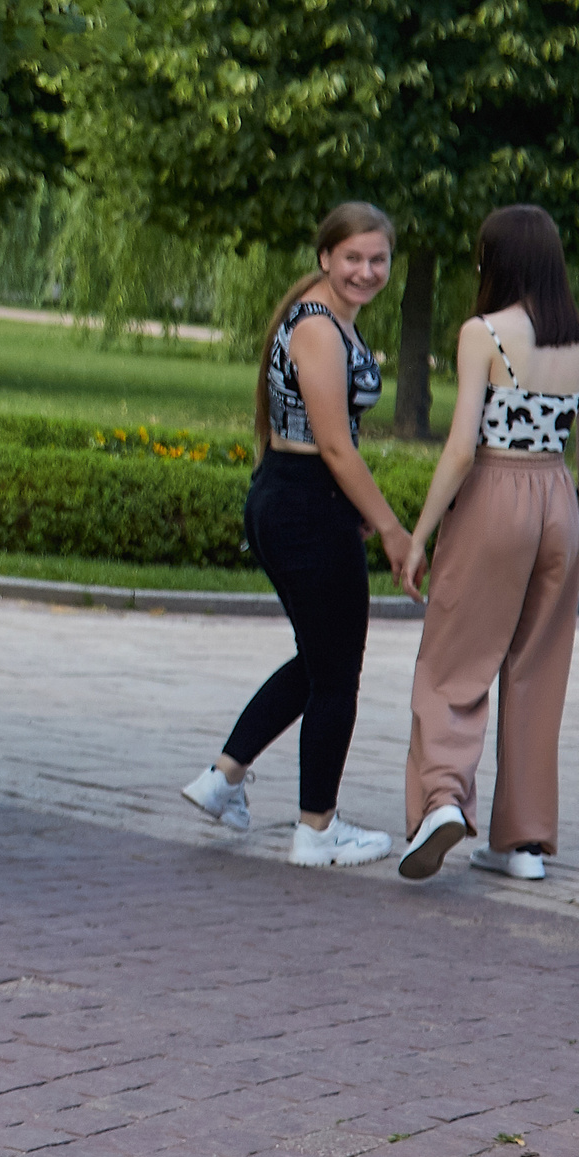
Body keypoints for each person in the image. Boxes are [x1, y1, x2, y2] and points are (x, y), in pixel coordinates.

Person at [180, 203, 408, 867]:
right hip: (303, 502)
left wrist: (355, 505)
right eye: (353, 258)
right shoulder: (317, 328)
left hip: (301, 497)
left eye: (378, 259)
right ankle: (317, 829)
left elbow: (332, 441)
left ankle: (222, 778)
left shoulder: (329, 318)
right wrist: (393, 529)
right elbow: (335, 445)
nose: (366, 271)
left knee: (318, 660)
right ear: (324, 259)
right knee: (337, 674)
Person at [394, 205, 579, 882]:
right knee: (538, 671)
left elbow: (460, 448)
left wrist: (420, 533)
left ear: (497, 260)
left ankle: (442, 799)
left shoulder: (482, 333)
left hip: (495, 493)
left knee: (451, 660)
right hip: (557, 503)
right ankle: (524, 844)